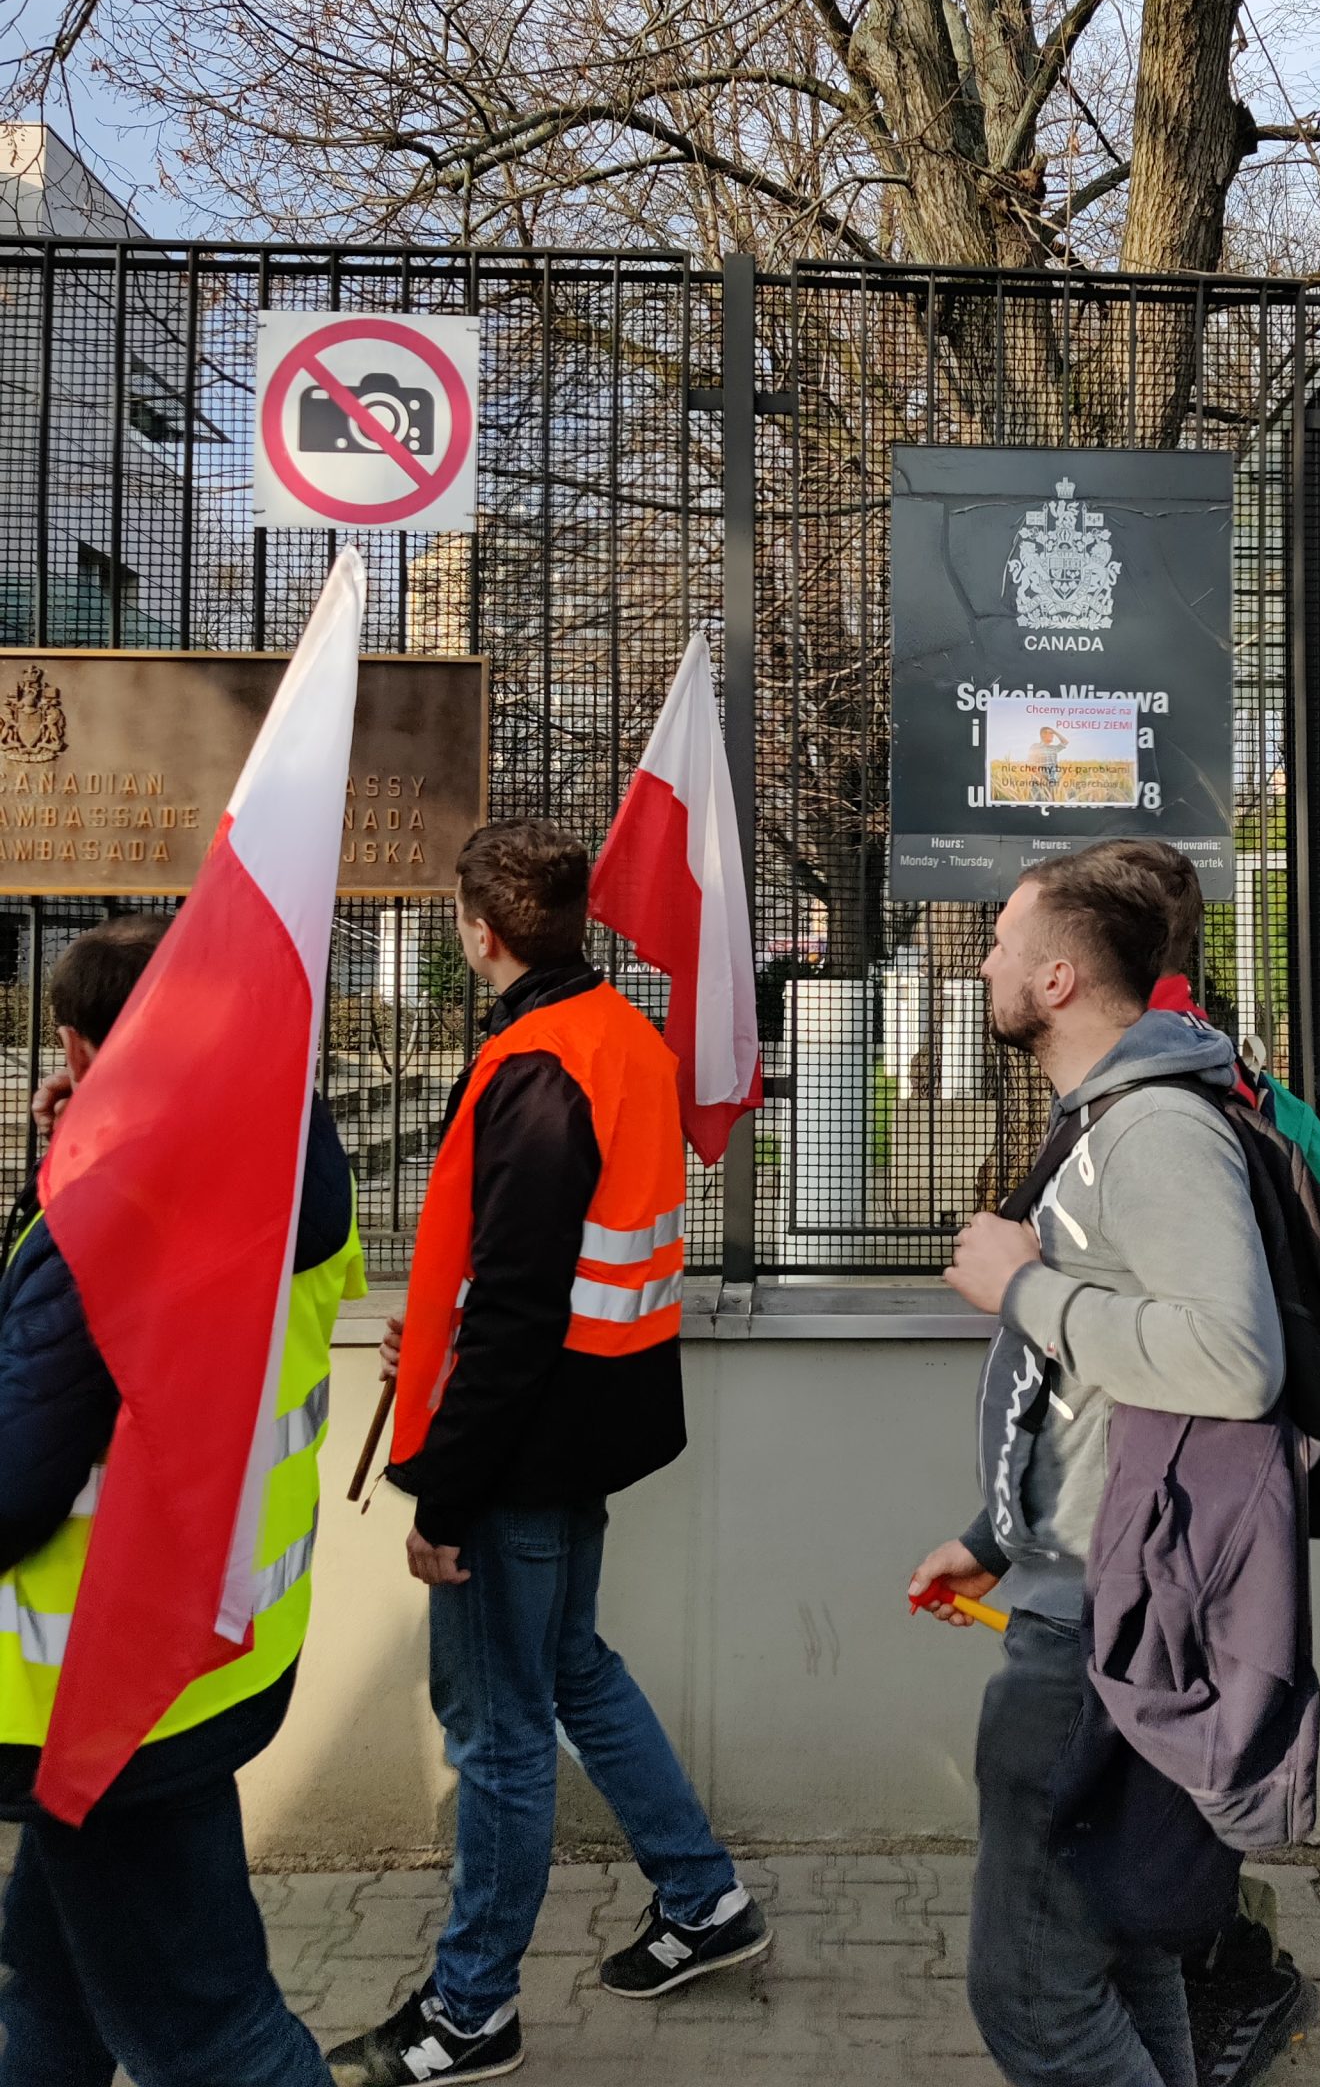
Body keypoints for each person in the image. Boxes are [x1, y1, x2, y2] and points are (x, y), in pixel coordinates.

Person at [327, 820, 766, 2087]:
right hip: (588, 1428)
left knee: (501, 1736)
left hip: (517, 1452)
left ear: (484, 932)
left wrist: (442, 1498)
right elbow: (553, 1276)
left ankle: (471, 2011)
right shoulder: (621, 1037)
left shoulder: (534, 1065)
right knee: (572, 1667)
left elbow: (517, 1311)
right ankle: (704, 1900)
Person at [908, 839, 1286, 2087]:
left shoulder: (1155, 1129)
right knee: (1121, 1957)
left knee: (1030, 1992)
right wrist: (995, 1528)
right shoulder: (1110, 1116)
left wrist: (1028, 1288)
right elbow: (1095, 1396)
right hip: (1078, 1578)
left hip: (1096, 1631)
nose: (986, 960)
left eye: (1005, 940)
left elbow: (1233, 1358)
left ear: (1060, 977)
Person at [0, 912, 361, 2087]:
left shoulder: (119, 1215)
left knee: (210, 2037)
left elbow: (14, 1477)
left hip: (107, 1702)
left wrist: (67, 1198)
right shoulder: (287, 1156)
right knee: (48, 1997)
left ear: (77, 1043)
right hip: (207, 1660)